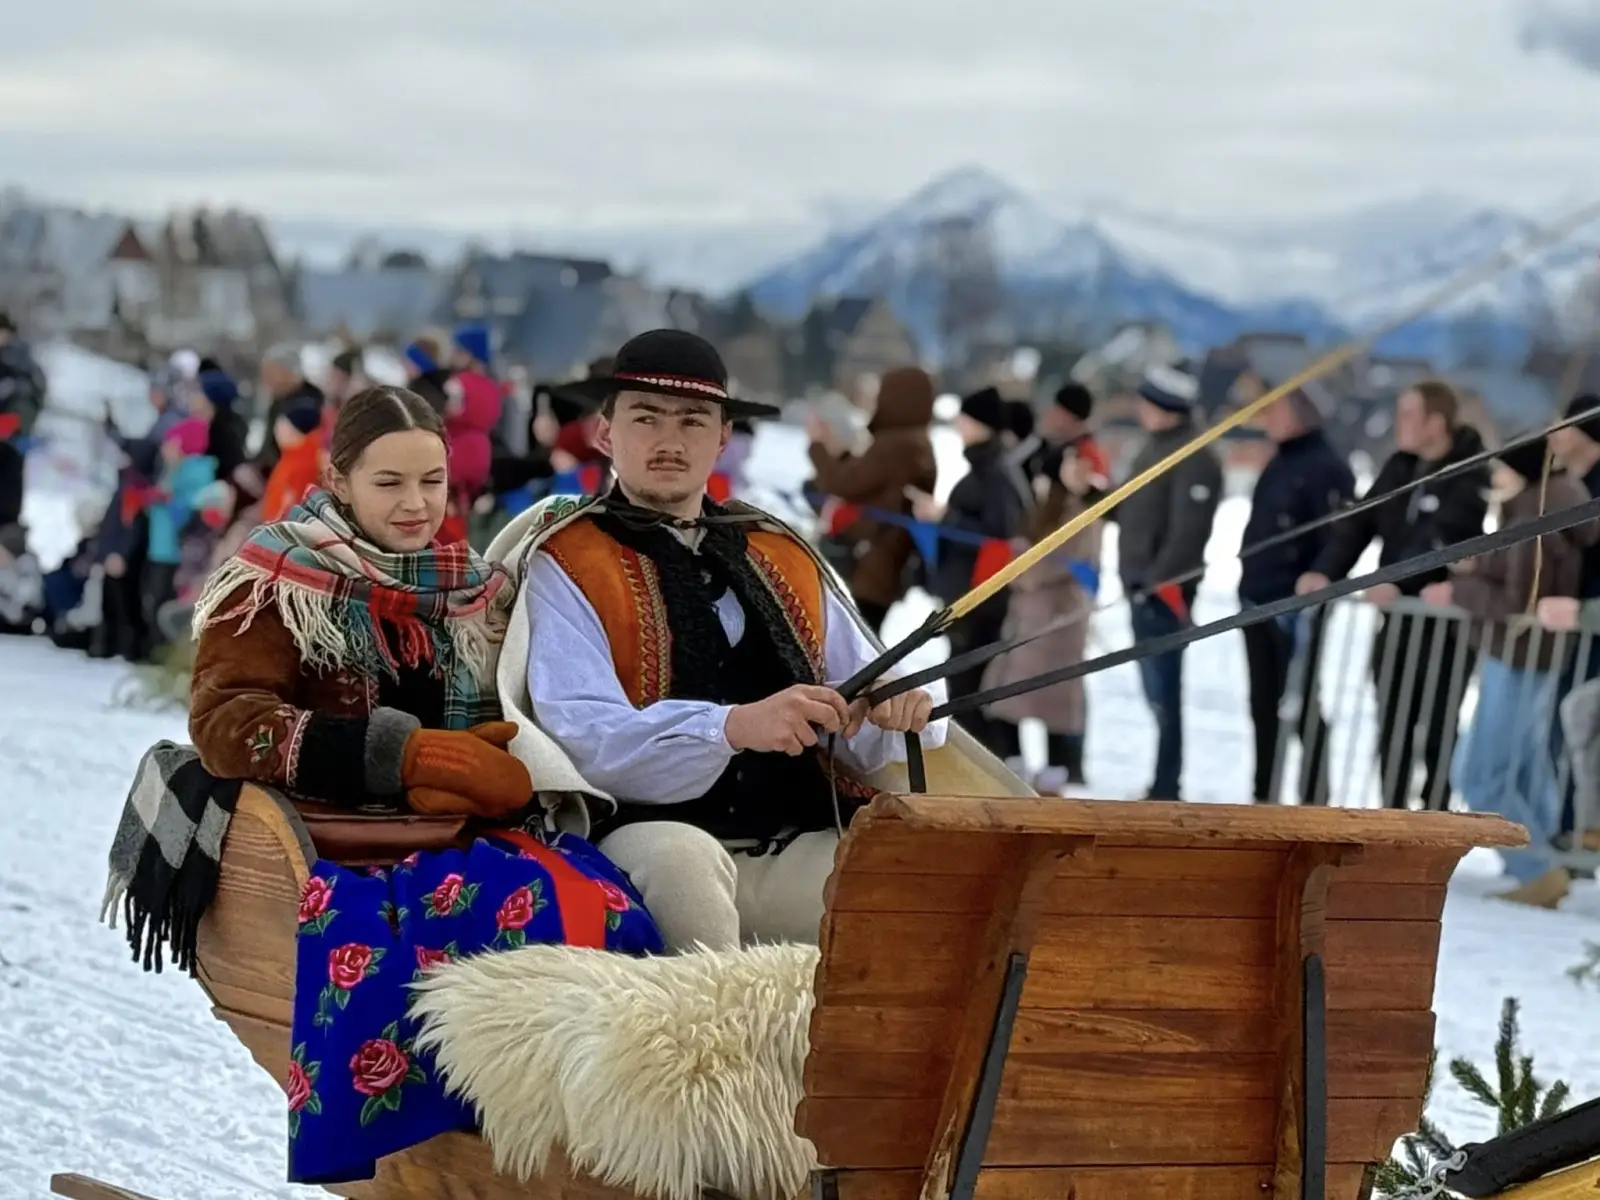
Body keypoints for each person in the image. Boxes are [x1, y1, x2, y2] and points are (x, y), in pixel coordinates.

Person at [186, 384, 663, 1183]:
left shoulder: (465, 586)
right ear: (338, 480)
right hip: (335, 847)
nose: (416, 504)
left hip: (448, 834)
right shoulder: (275, 578)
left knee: (609, 902)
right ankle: (447, 1145)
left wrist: (495, 765)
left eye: (432, 482)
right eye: (389, 484)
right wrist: (393, 757)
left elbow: (500, 716)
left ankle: (562, 1147)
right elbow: (226, 724)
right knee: (521, 913)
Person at [493, 329, 950, 952]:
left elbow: (869, 689)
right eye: (646, 418)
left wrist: (901, 704)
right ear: (605, 434)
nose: (669, 441)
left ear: (722, 438)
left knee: (921, 886)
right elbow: (585, 738)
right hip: (640, 842)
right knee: (686, 865)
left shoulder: (778, 549)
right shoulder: (567, 559)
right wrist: (732, 726)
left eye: (692, 421)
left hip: (790, 841)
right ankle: (710, 1049)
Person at [1422, 435, 1596, 907]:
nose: (1494, 477)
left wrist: (1461, 591)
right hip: (1535, 660)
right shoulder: (1554, 510)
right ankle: (1541, 865)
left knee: (1484, 774)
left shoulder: (1533, 522)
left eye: (1501, 468)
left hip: (1517, 657)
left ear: (1522, 473)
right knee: (1522, 771)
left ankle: (1536, 868)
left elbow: (1518, 603)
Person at [1299, 380, 1488, 809]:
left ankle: (1435, 818)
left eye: (1408, 415)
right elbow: (1359, 524)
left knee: (1437, 725)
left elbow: (1443, 537)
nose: (1398, 425)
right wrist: (1325, 571)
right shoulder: (1400, 467)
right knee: (1391, 723)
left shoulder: (1470, 472)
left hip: (1444, 630)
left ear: (1436, 423)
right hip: (1398, 623)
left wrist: (1397, 583)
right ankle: (1392, 812)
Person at [981, 393, 1110, 792]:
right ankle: (1018, 764)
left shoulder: (1082, 512)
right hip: (1034, 619)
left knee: (1046, 701)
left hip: (1055, 621)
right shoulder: (1046, 507)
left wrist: (1020, 571)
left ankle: (1054, 772)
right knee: (1006, 697)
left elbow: (1057, 561)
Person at [1238, 387, 1355, 804]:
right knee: (1263, 704)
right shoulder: (1281, 460)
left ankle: (1314, 797)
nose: (1268, 417)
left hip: (1293, 605)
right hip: (1257, 599)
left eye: (1277, 409)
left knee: (1301, 706)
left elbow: (1340, 536)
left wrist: (1319, 576)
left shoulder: (1328, 468)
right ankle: (1263, 792)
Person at [1111, 365, 1223, 801]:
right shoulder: (1152, 449)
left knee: (1166, 693)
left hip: (1162, 594)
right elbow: (1133, 512)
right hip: (1140, 588)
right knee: (1153, 692)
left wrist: (1157, 579)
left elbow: (1188, 533)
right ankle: (1162, 779)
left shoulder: (1194, 457)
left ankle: (1166, 783)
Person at [910, 386, 1028, 758]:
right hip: (969, 595)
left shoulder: (996, 473)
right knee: (964, 688)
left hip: (981, 599)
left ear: (982, 425)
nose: (958, 425)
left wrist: (944, 517)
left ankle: (988, 771)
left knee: (968, 693)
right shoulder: (985, 467)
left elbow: (999, 539)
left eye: (965, 418)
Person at [806, 365, 938, 634]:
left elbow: (842, 484)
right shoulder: (919, 443)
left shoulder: (896, 445)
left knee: (849, 649)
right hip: (885, 566)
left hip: (867, 566)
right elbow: (870, 485)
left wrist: (818, 446)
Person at [255, 344, 325, 476]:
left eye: (269, 373)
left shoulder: (308, 405)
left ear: (285, 371)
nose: (265, 380)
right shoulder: (278, 401)